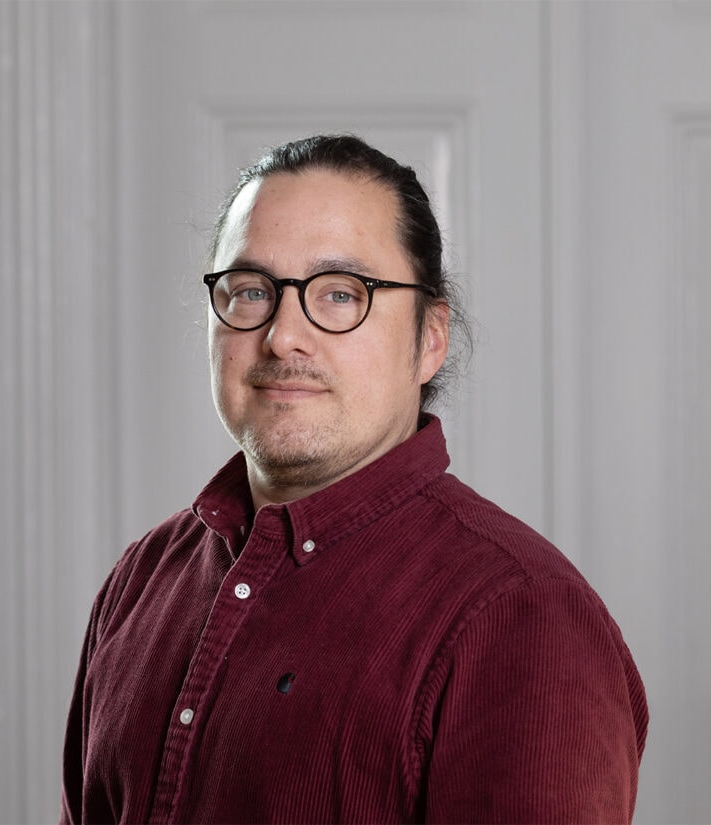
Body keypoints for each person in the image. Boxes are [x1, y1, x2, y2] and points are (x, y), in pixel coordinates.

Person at [60, 134, 648, 824]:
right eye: (251, 291)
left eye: (341, 294)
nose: (283, 335)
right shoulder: (142, 579)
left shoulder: (522, 617)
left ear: (430, 339)